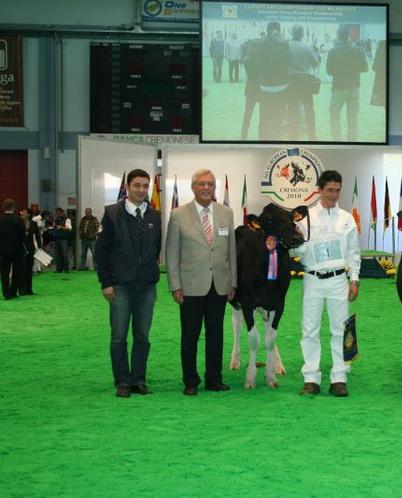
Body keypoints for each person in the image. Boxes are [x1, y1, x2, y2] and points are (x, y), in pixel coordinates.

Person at [166, 169, 237, 396]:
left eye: (210, 184)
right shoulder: (178, 215)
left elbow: (231, 251)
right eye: (202, 184)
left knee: (216, 334)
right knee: (190, 335)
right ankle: (190, 381)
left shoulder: (226, 213)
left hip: (219, 285)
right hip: (190, 286)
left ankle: (214, 379)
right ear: (193, 187)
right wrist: (175, 285)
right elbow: (171, 253)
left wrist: (232, 282)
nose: (206, 188)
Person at [292, 170, 361, 397]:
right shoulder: (305, 218)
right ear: (319, 190)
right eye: (329, 190)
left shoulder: (347, 218)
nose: (334, 195)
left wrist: (355, 279)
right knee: (310, 330)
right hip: (312, 279)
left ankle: (339, 377)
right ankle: (311, 378)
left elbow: (353, 252)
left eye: (337, 190)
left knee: (340, 329)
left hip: (338, 280)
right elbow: (296, 250)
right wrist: (298, 242)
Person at [95, 170, 162, 398]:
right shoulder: (111, 214)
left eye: (145, 186)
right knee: (119, 336)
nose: (141, 190)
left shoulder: (155, 216)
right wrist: (106, 282)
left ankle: (139, 380)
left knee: (142, 336)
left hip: (146, 288)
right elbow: (101, 252)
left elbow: (156, 249)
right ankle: (122, 381)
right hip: (120, 286)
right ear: (128, 186)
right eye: (137, 185)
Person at [326, 25, 368, 142]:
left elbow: (329, 72)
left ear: (338, 37)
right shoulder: (358, 51)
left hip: (338, 89)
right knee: (352, 118)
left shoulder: (332, 52)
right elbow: (365, 68)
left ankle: (337, 141)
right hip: (354, 88)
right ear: (349, 36)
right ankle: (352, 141)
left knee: (334, 116)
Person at [254, 22, 291, 140]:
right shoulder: (285, 43)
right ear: (279, 31)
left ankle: (262, 141)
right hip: (281, 86)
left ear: (267, 30)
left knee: (264, 116)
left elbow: (257, 63)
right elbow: (288, 62)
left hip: (265, 86)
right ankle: (276, 141)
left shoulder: (260, 43)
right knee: (278, 118)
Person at [287, 24, 321, 141]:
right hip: (305, 81)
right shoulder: (307, 47)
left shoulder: (287, 46)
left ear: (292, 33)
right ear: (302, 34)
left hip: (291, 81)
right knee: (309, 109)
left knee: (292, 109)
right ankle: (312, 135)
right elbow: (315, 63)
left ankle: (293, 135)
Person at [0, 199, 25, 300]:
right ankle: (13, 291)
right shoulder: (18, 220)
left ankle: (6, 293)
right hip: (17, 250)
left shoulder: (0, 220)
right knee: (16, 270)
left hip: (3, 250)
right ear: (14, 207)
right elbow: (22, 236)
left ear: (3, 207)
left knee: (4, 272)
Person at [18, 207, 41, 295]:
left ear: (28, 214)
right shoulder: (19, 223)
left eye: (24, 212)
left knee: (29, 269)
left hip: (31, 249)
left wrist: (40, 247)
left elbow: (38, 236)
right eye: (22, 212)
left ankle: (29, 289)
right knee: (22, 269)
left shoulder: (33, 224)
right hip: (21, 249)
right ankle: (22, 289)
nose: (22, 214)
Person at [52, 207, 72, 272]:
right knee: (57, 254)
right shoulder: (55, 220)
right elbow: (54, 228)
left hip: (64, 239)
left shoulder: (67, 220)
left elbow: (69, 228)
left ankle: (66, 269)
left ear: (62, 212)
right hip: (56, 238)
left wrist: (61, 227)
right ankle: (59, 269)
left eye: (59, 213)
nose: (57, 214)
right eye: (56, 213)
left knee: (64, 254)